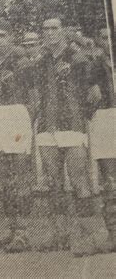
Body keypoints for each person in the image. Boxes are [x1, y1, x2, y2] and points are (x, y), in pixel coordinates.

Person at [34, 15, 107, 256]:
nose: (50, 33)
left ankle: (88, 237)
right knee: (53, 182)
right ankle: (60, 235)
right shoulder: (41, 60)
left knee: (79, 181)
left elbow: (95, 93)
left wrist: (79, 114)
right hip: (46, 127)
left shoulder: (78, 57)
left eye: (54, 28)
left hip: (72, 127)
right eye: (45, 29)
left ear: (63, 30)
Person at [0, 19, 38, 253]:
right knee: (4, 177)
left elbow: (35, 97)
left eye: (2, 36)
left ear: (11, 37)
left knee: (20, 174)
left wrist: (26, 121)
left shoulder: (23, 62)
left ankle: (23, 232)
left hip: (17, 115)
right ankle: (12, 228)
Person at [90, 27, 116, 251]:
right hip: (106, 118)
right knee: (111, 180)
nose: (108, 41)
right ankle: (113, 234)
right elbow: (90, 97)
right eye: (104, 37)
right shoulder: (94, 65)